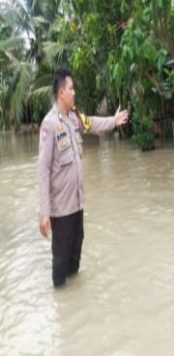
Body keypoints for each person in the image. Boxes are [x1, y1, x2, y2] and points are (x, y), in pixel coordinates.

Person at [37, 68, 129, 287]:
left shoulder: (74, 119)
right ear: (61, 92)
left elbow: (93, 123)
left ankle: (74, 305)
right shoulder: (49, 124)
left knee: (75, 260)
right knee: (60, 264)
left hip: (77, 205)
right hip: (61, 210)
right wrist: (44, 212)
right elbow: (43, 169)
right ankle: (62, 308)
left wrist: (114, 121)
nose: (74, 92)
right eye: (71, 88)